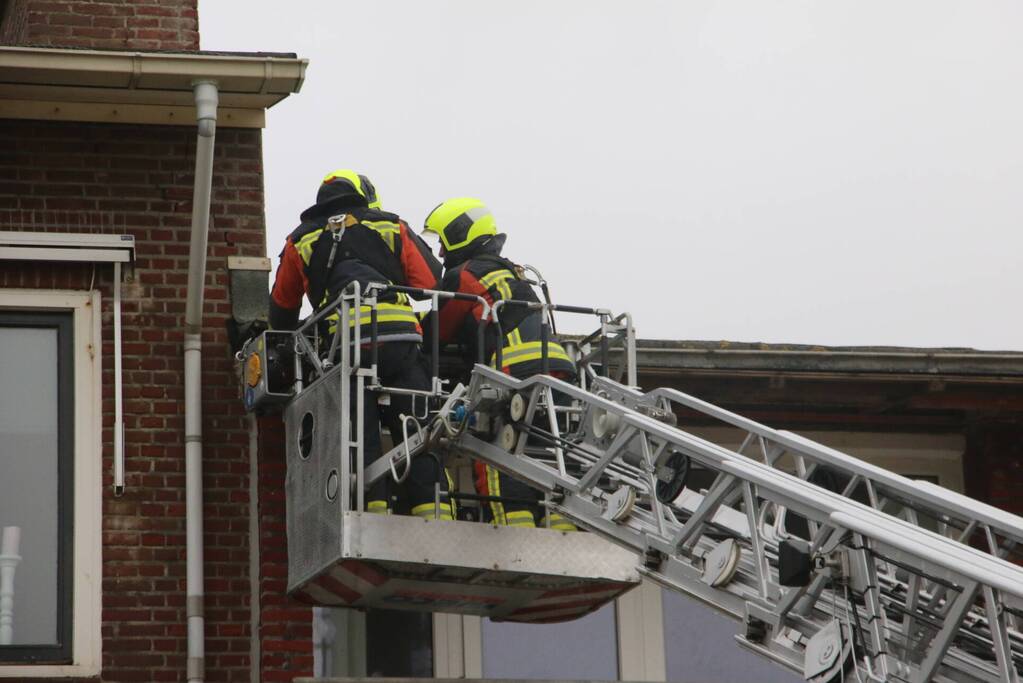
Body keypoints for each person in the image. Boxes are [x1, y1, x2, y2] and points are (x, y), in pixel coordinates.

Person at [270, 169, 452, 520]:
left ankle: (373, 511)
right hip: (401, 339)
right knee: (417, 428)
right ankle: (434, 514)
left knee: (360, 433)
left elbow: (282, 311)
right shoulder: (391, 225)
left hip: (347, 345)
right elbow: (430, 282)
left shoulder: (299, 240)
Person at [422, 197, 576, 530]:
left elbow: (437, 331)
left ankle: (516, 532)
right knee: (549, 455)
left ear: (460, 234)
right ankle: (563, 527)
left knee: (497, 458)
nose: (439, 254)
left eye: (442, 242)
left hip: (513, 372)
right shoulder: (513, 273)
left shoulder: (464, 276)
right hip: (557, 369)